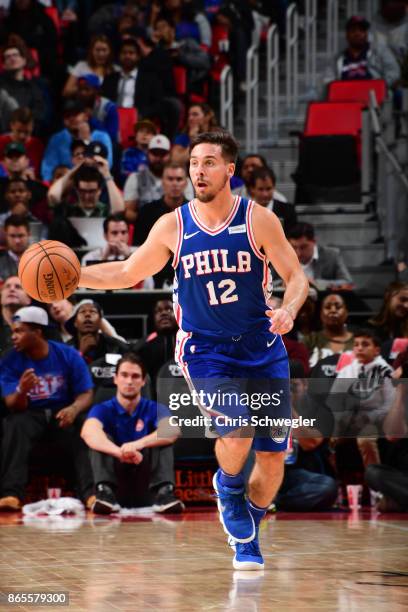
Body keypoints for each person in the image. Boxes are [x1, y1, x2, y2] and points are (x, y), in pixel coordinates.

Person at [78, 130, 309, 570]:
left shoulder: (258, 219)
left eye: (208, 162)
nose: (198, 171)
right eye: (193, 164)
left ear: (229, 170)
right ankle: (227, 488)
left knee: (274, 456)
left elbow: (296, 276)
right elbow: (128, 272)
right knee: (236, 429)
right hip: (206, 351)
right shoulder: (173, 224)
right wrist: (75, 277)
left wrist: (291, 308)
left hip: (263, 348)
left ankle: (249, 529)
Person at [0, 306, 94, 511]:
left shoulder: (67, 355)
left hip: (63, 412)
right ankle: (11, 494)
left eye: (19, 331)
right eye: (13, 331)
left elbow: (86, 393)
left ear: (37, 332)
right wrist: (22, 390)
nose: (13, 337)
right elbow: (12, 405)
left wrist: (74, 408)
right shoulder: (9, 361)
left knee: (86, 426)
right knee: (14, 424)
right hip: (30, 413)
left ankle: (90, 493)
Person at [81, 352, 184, 514]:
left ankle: (165, 493)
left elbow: (172, 430)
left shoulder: (154, 408)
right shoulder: (103, 409)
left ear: (143, 381)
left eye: (135, 376)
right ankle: (105, 492)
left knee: (164, 439)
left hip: (145, 476)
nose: (129, 381)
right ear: (115, 379)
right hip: (117, 476)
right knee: (100, 439)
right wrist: (120, 452)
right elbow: (88, 433)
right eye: (124, 375)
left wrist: (137, 444)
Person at [328, 329, 395, 469]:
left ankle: (375, 482)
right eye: (356, 344)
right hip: (350, 418)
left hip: (375, 420)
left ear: (376, 350)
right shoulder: (348, 370)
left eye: (365, 344)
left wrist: (370, 417)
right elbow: (334, 399)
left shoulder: (385, 370)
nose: (359, 348)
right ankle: (338, 479)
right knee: (328, 434)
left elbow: (390, 404)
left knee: (365, 439)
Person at [133, 161, 188, 287]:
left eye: (179, 179)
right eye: (170, 179)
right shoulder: (147, 212)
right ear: (162, 182)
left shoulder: (197, 212)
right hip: (152, 273)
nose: (175, 183)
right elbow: (138, 247)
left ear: (186, 183)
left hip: (187, 273)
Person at [322, 15, 400, 92]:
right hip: (346, 99)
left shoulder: (381, 52)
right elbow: (328, 80)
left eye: (361, 30)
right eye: (353, 30)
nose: (357, 33)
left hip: (373, 98)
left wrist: (379, 87)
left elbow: (394, 73)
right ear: (347, 35)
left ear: (366, 34)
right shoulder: (337, 58)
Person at [41, 99, 113, 182]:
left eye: (75, 114)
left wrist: (87, 142)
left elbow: (107, 166)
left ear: (86, 116)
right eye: (67, 116)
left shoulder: (102, 137)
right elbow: (47, 172)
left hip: (95, 185)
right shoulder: (57, 139)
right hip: (65, 185)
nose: (71, 119)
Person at [81, 213, 154, 289]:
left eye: (123, 232)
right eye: (114, 233)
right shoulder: (90, 257)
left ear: (128, 234)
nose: (120, 237)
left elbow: (148, 286)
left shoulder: (140, 254)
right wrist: (103, 259)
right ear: (105, 235)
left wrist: (129, 257)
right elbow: (85, 289)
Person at [288, 222, 354, 290]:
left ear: (314, 241)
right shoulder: (285, 257)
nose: (298, 253)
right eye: (294, 247)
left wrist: (315, 283)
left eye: (303, 247)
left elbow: (348, 282)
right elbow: (276, 281)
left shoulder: (331, 255)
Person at [134, 299, 178, 387]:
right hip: (155, 395)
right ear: (153, 318)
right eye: (158, 311)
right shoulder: (144, 344)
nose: (164, 313)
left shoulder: (189, 341)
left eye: (169, 309)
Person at [304, 293, 354, 368]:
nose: (333, 310)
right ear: (321, 314)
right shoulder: (310, 340)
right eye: (327, 307)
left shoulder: (358, 341)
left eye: (338, 307)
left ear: (346, 313)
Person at [247, 167, 297, 235]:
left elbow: (292, 238)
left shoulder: (288, 210)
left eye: (268, 189)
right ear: (252, 189)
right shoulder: (244, 211)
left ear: (274, 187)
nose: (265, 194)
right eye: (260, 189)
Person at [0, 107, 44, 178]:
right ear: (12, 125)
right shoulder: (1, 142)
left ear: (32, 127)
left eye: (26, 132)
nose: (22, 136)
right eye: (19, 131)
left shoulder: (37, 145)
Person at [76, 73, 119, 144]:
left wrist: (91, 119)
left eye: (87, 89)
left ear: (97, 90)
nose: (82, 93)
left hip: (103, 145)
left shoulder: (109, 107)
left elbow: (111, 136)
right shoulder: (75, 106)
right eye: (80, 89)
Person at [0, 275, 31, 355]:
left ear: (29, 299)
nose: (12, 289)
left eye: (18, 287)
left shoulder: (41, 327)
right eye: (7, 287)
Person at [0, 215, 30, 282]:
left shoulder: (40, 259)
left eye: (21, 235)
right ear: (6, 235)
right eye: (12, 236)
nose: (17, 241)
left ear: (29, 234)